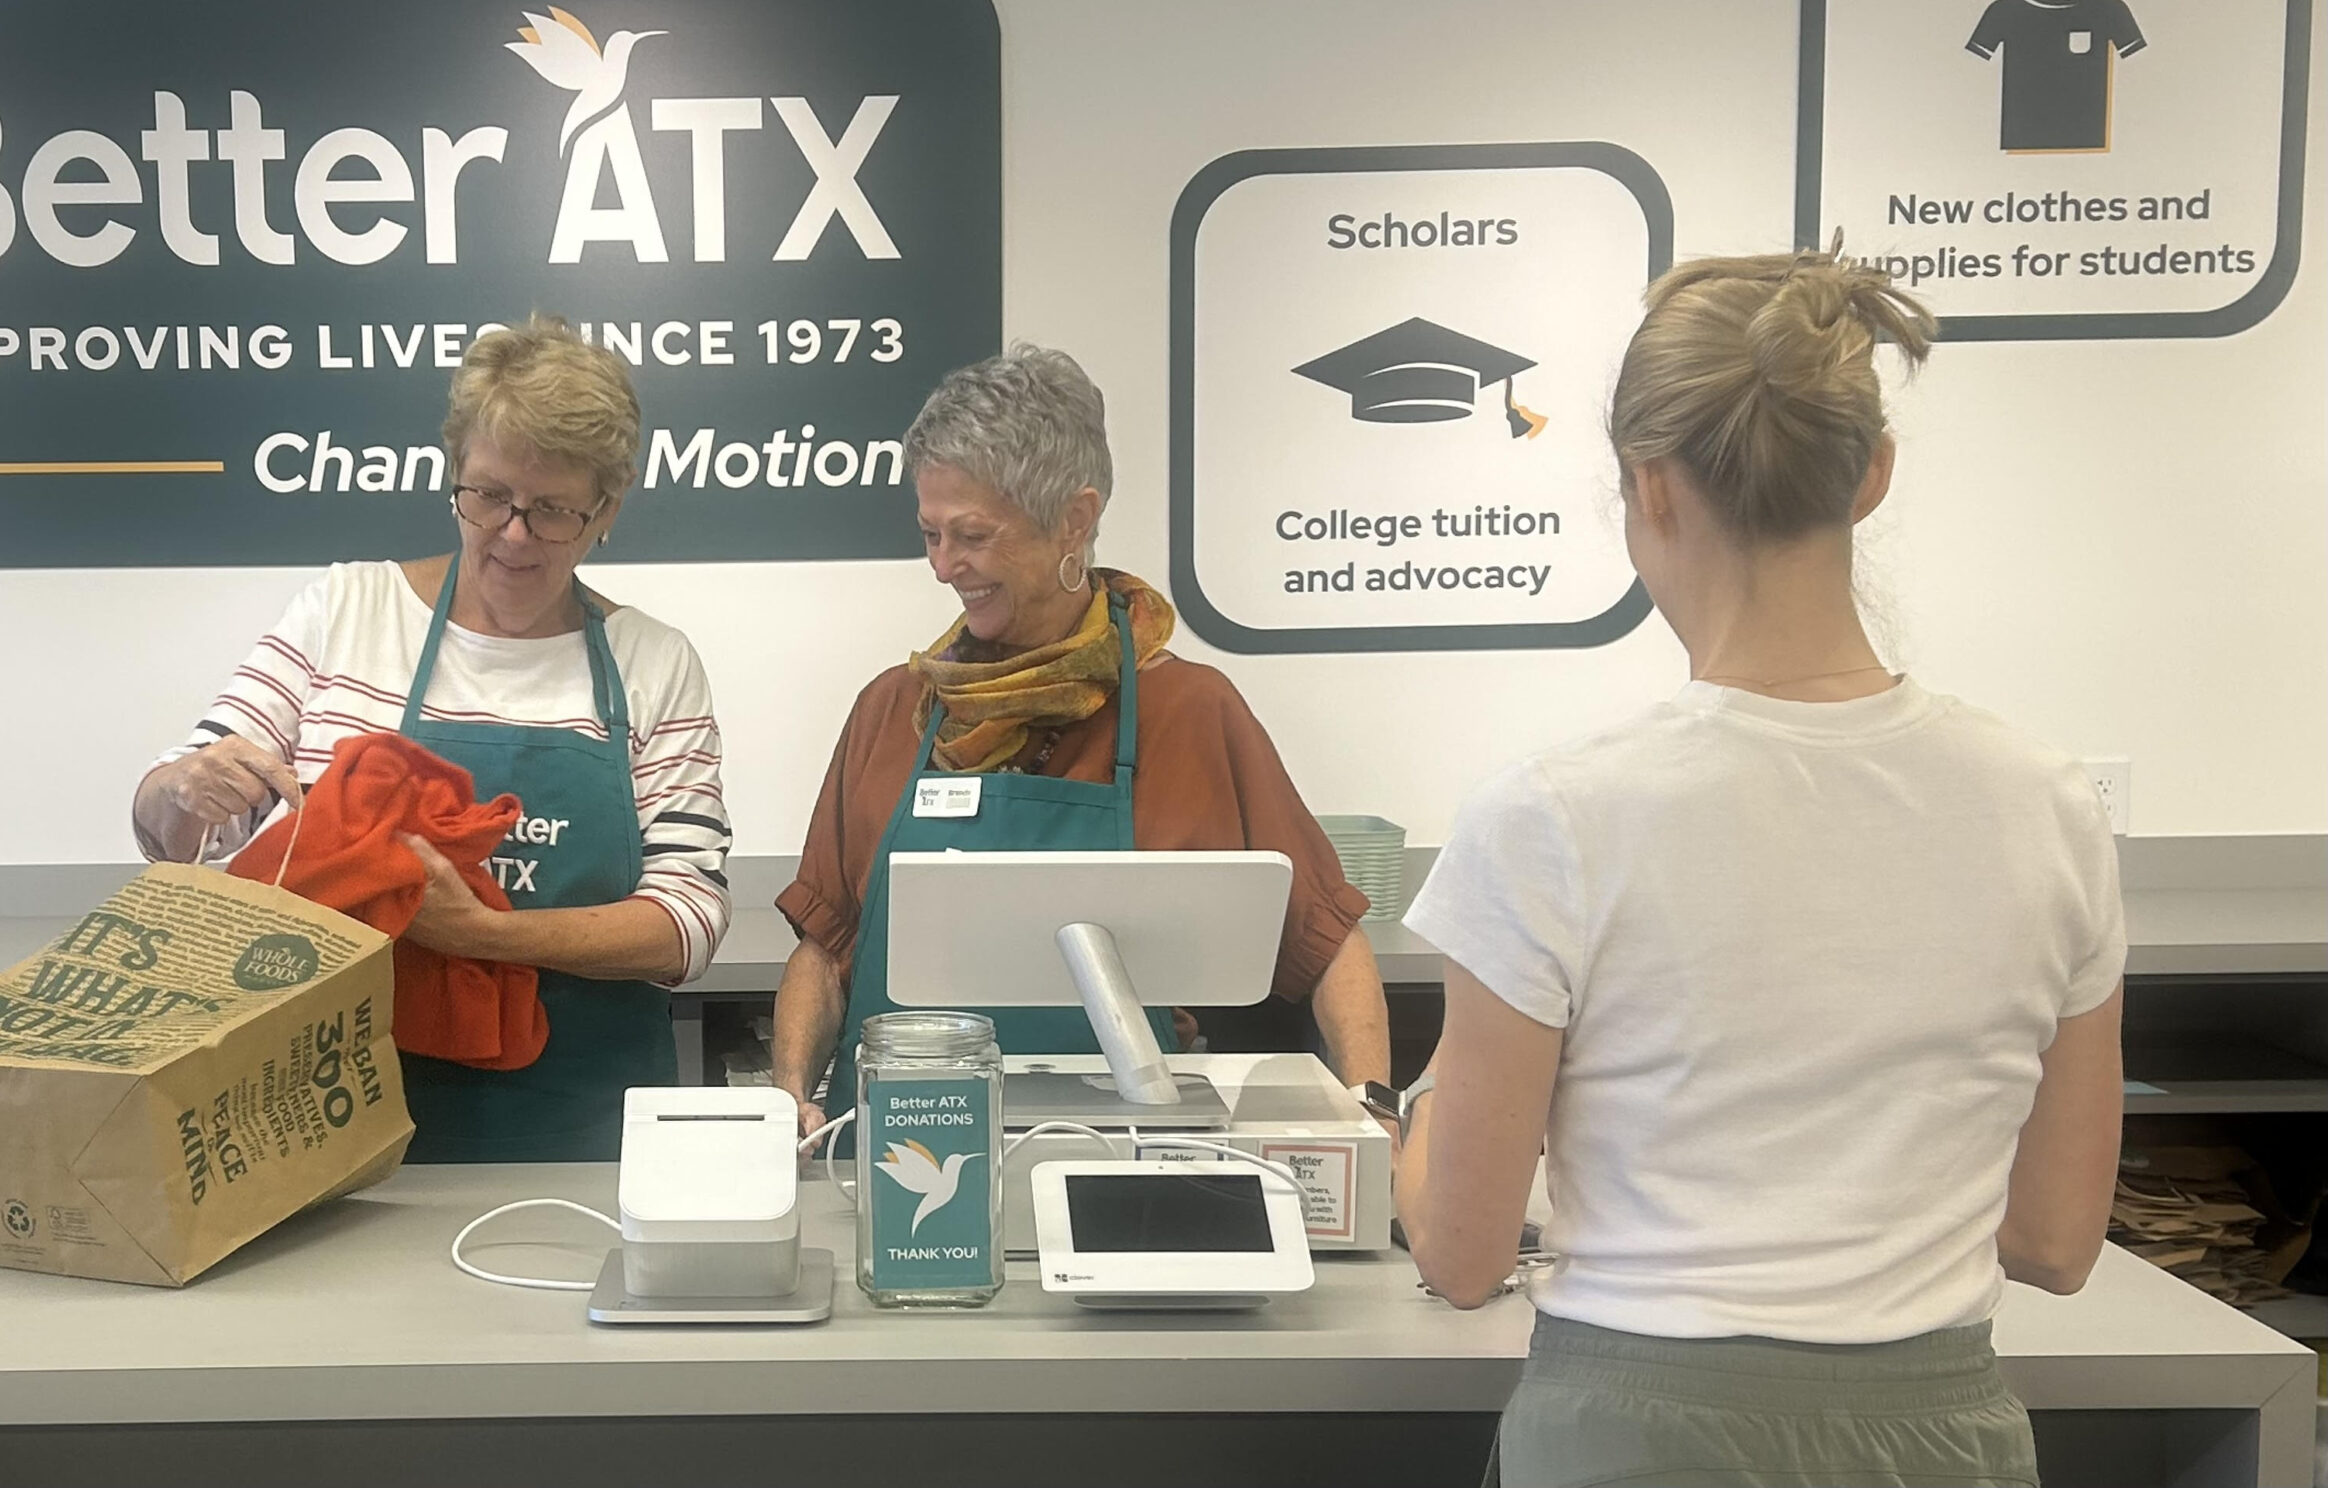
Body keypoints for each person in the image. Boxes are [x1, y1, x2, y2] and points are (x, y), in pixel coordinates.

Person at [1395, 250, 2123, 1488]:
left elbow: (1461, 1258)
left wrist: (1416, 1122)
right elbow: (2055, 1243)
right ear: (1870, 475)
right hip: (1938, 1442)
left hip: (1631, 1442)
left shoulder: (1552, 819)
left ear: (1648, 484)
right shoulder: (2048, 808)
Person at [133, 315, 730, 1162]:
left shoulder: (653, 664)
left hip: (583, 1133)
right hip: (329, 1128)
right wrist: (182, 788)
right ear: (455, 472)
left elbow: (689, 920)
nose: (513, 536)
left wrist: (482, 937)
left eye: (553, 510)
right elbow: (186, 825)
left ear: (607, 509)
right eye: (488, 496)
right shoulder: (346, 612)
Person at [770, 346, 1393, 1135]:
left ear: (1075, 518)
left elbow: (1328, 941)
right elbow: (824, 950)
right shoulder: (892, 711)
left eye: (972, 536)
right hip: (899, 1163)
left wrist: (1375, 1106)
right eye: (930, 534)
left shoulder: (1191, 712)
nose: (943, 567)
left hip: (1128, 1165)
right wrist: (789, 1091)